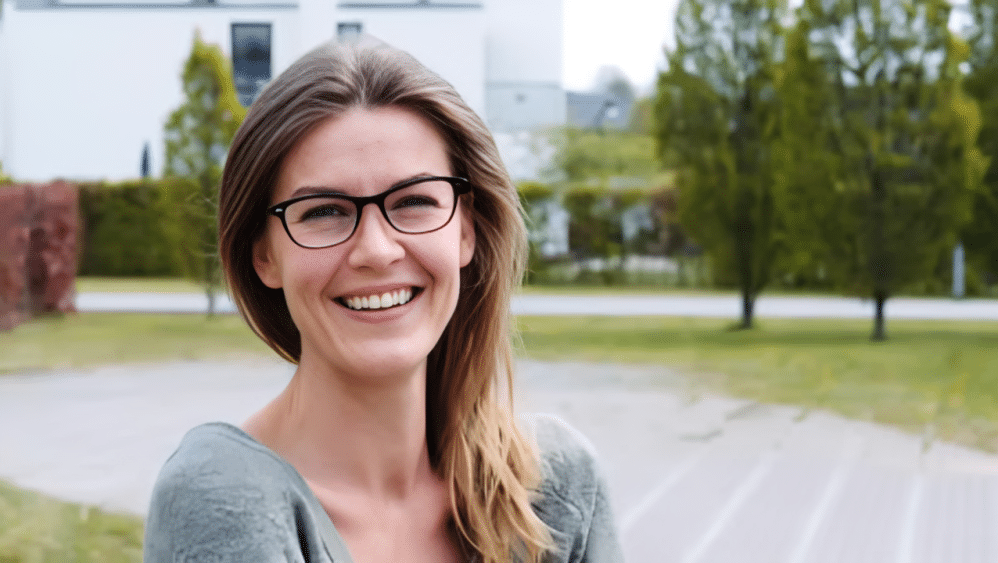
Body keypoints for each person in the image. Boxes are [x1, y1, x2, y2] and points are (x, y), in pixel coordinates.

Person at [143, 40, 622, 563]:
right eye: (324, 211)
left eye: (415, 201)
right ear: (264, 255)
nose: (376, 250)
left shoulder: (556, 489)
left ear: (467, 231)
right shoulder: (221, 495)